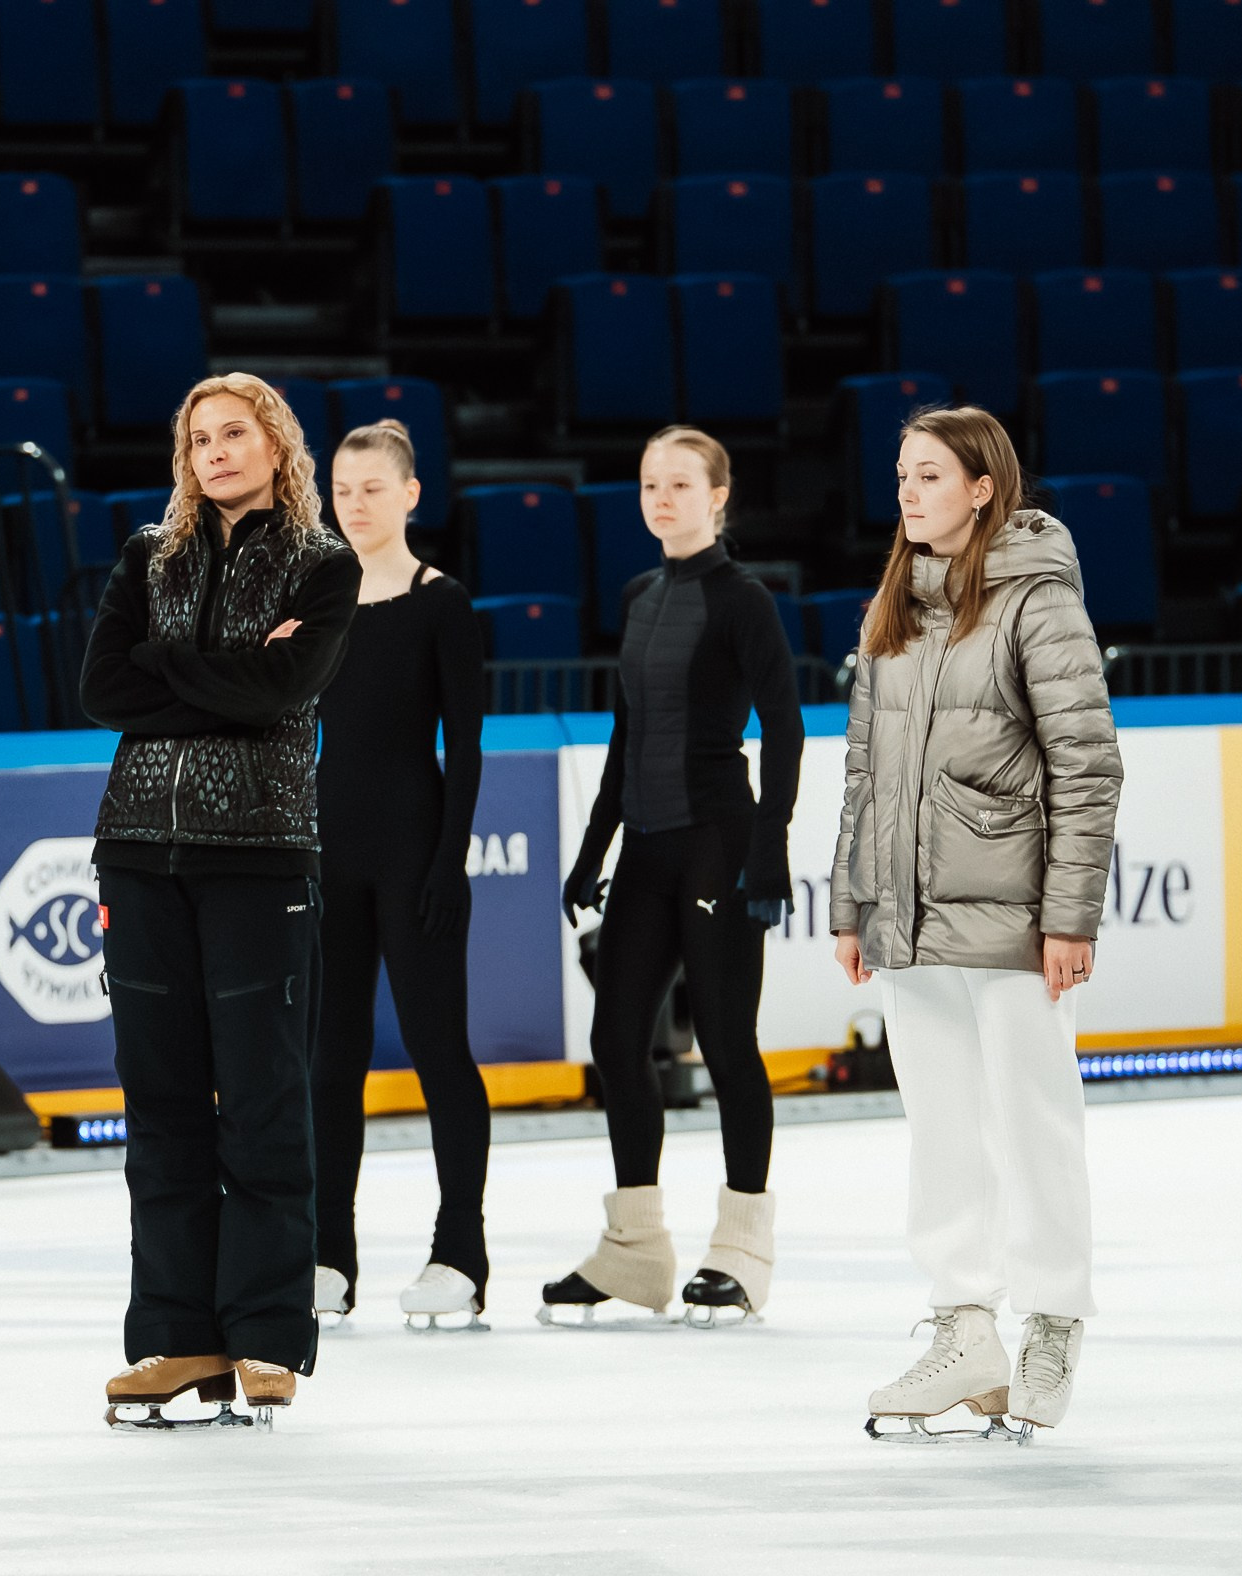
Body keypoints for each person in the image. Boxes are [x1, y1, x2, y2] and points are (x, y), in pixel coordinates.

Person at [831, 405, 1121, 1442]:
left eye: (926, 477)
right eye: (900, 476)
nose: (906, 494)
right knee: (941, 1131)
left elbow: (1086, 762)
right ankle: (966, 1326)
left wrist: (1068, 912)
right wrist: (852, 899)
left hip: (1012, 917)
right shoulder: (892, 609)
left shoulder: (1038, 601)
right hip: (908, 917)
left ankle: (1051, 1318)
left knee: (1033, 1123)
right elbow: (863, 769)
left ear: (981, 486)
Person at [80, 373, 359, 1426]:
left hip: (261, 857)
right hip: (140, 852)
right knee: (157, 1109)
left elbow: (282, 694)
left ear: (276, 446)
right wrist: (223, 666)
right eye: (199, 438)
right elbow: (102, 688)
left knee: (263, 1100)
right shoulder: (144, 557)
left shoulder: (322, 567)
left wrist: (174, 666)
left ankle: (267, 1336)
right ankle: (175, 1337)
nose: (216, 452)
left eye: (234, 433)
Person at [548, 427, 804, 1327]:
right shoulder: (640, 594)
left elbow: (784, 724)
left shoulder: (745, 601)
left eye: (681, 483)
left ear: (717, 495)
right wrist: (593, 848)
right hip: (648, 848)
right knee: (618, 1042)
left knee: (728, 1045)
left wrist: (769, 848)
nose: (662, 497)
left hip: (718, 842)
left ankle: (740, 1253)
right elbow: (628, 734)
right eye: (651, 482)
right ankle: (635, 1252)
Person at [310, 417, 491, 1330]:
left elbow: (465, 746)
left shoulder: (440, 601)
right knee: (327, 1061)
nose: (356, 504)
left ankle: (462, 1250)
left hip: (414, 849)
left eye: (372, 488)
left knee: (437, 1052)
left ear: (411, 494)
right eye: (342, 491)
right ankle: (326, 1254)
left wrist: (448, 861)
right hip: (329, 854)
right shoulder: (317, 601)